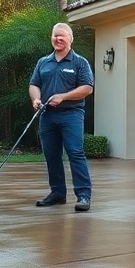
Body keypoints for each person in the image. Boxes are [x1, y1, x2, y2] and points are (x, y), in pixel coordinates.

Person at [29, 22, 95, 212]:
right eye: (55, 35)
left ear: (70, 38)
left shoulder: (79, 62)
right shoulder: (43, 62)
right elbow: (34, 84)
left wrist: (63, 97)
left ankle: (83, 195)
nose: (57, 39)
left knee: (75, 153)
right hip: (47, 116)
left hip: (71, 114)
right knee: (51, 156)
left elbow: (87, 88)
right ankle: (57, 193)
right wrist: (36, 99)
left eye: (62, 36)